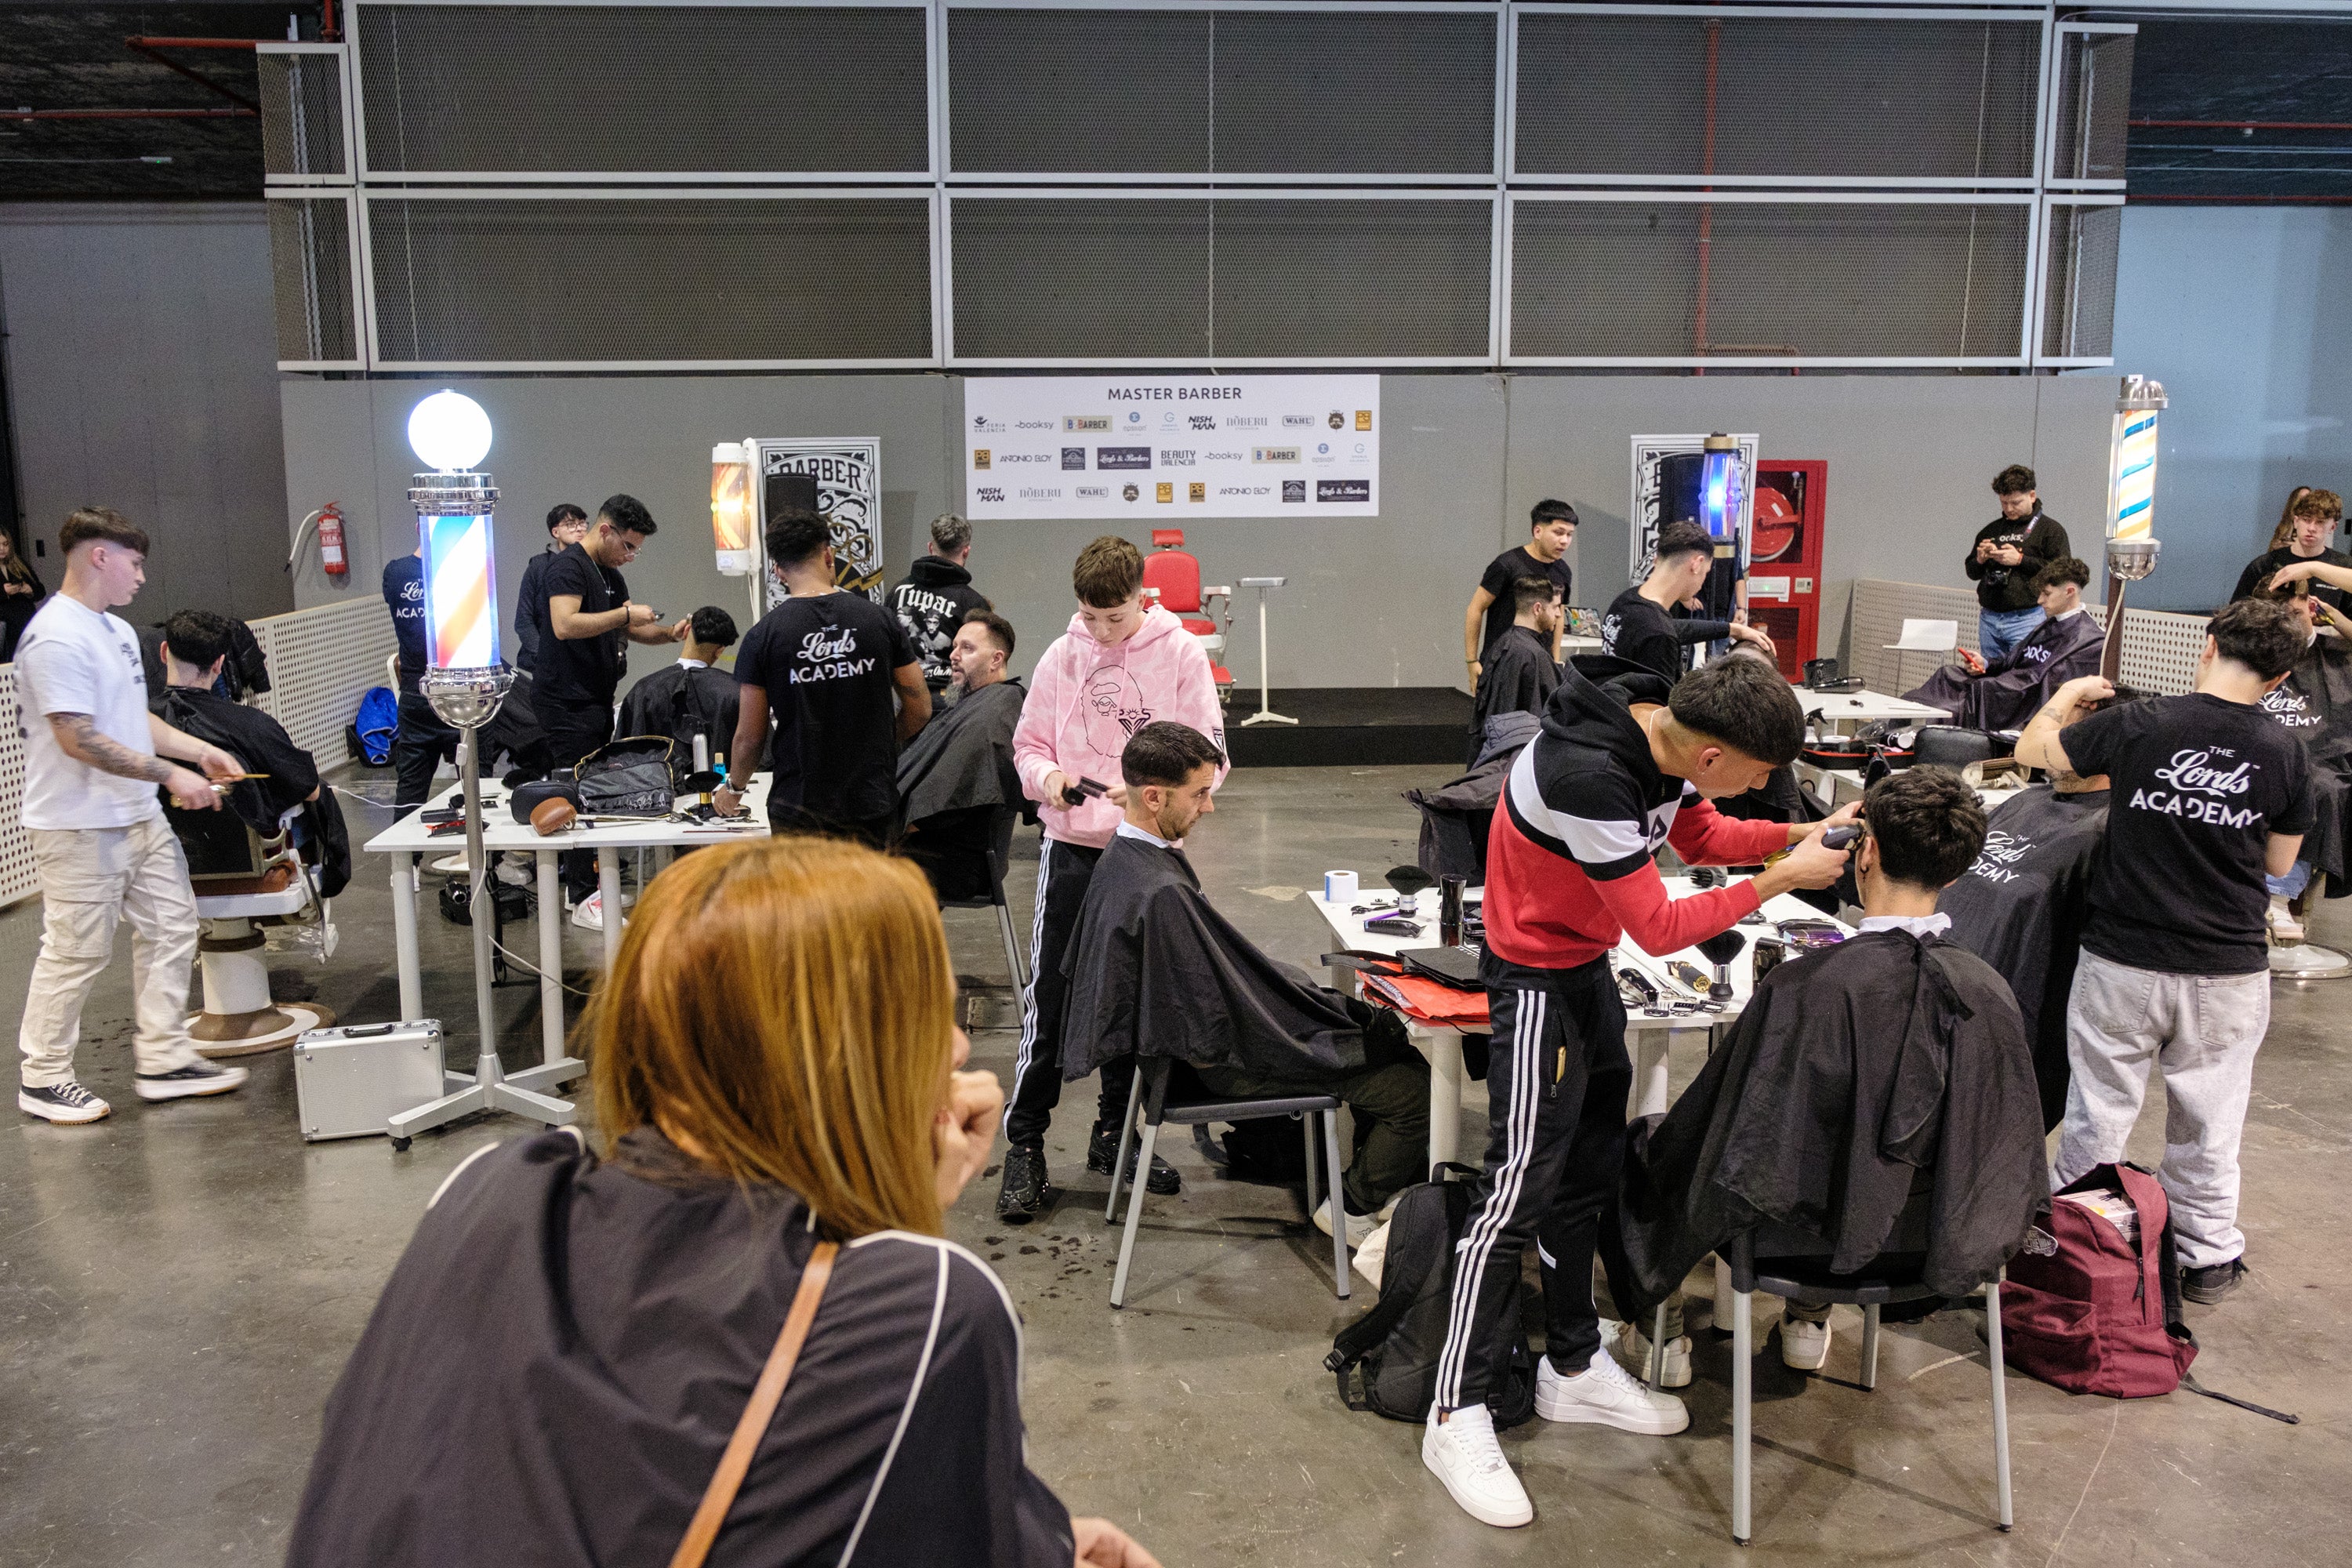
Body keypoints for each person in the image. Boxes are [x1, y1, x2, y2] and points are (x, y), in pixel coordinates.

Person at [282, 836, 1159, 1568]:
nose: (961, 1040)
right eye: (931, 1007)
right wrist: (904, 1231)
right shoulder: (933, 1306)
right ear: (845, 1054)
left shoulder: (493, 1187)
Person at [1420, 655, 1853, 1530]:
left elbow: (1700, 838)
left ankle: (1572, 1365)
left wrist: (1793, 835)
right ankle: (1453, 1411)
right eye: (1762, 773)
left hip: (1585, 976)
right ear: (1713, 755)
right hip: (1536, 981)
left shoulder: (1663, 739)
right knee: (1514, 1196)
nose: (1767, 786)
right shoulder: (1592, 772)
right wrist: (1778, 881)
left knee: (1586, 1176)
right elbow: (1655, 926)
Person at [1605, 768, 2045, 1367]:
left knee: (1656, 1147)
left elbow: (1728, 1138)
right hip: (1934, 1242)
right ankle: (1808, 1325)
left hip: (1789, 1245)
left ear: (1866, 852)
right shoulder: (1989, 992)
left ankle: (1666, 1338)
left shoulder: (1804, 989)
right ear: (1957, 870)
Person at [2016, 597, 2314, 1307]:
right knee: (2211, 1118)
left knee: (2099, 1111)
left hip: (2123, 958)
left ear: (2208, 645)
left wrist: (2064, 694)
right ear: (2280, 678)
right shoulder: (2285, 751)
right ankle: (2207, 1257)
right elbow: (2278, 863)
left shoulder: (2140, 723)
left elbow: (2034, 753)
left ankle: (2083, 1247)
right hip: (2228, 969)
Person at [1061, 722, 1432, 1240]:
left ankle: (1379, 1176)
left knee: (1351, 1026)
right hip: (1220, 1064)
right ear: (1153, 796)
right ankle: (1350, 1206)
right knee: (1412, 1086)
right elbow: (1228, 1004)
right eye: (1200, 794)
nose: (1208, 808)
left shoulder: (1126, 860)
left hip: (1179, 1053)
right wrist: (1320, 1015)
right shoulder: (1161, 892)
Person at [997, 535, 1227, 1224]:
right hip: (1071, 849)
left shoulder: (1181, 653)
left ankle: (1115, 1137)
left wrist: (1149, 801)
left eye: (1116, 619)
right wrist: (1054, 781)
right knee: (1053, 998)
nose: (1101, 632)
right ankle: (1025, 1144)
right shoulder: (1061, 654)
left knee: (1139, 1002)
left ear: (1142, 599)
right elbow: (1028, 747)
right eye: (1091, 618)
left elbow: (1211, 758)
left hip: (1144, 855)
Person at [13, 508, 251, 1124]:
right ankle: (42, 1077)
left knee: (173, 927)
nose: (142, 577)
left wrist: (197, 750)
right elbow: (77, 738)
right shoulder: (55, 636)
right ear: (99, 556)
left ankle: (165, 1058)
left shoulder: (116, 632)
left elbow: (131, 720)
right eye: (135, 563)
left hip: (136, 815)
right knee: (76, 951)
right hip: (77, 824)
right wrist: (172, 775)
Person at [1942, 688, 2146, 1131]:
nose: (2050, 750)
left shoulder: (2113, 832)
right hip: (1935, 994)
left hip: (2010, 1026)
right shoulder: (2025, 801)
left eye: (2065, 737)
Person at [717, 507, 928, 848]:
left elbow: (750, 737)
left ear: (778, 570)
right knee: (869, 900)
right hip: (871, 801)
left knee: (805, 902)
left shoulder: (763, 637)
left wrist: (734, 789)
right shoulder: (881, 621)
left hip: (799, 804)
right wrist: (878, 744)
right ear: (829, 555)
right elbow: (920, 707)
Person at [542, 495, 687, 927]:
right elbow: (564, 624)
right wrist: (624, 613)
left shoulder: (609, 575)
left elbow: (630, 627)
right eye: (627, 546)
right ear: (605, 530)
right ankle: (582, 894)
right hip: (565, 701)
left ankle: (586, 889)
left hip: (594, 697)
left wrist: (668, 635)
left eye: (636, 549)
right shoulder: (567, 567)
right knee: (576, 791)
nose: (631, 556)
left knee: (593, 786)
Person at [2245, 572, 2352, 943]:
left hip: (2324, 760)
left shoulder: (2338, 652)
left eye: (2295, 613)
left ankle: (2277, 897)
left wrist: (2336, 619)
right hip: (2262, 750)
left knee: (2320, 788)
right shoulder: (2260, 655)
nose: (2288, 626)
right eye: (2279, 618)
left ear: (2311, 606)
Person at [896, 610, 1027, 901]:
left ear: (997, 659)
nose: (954, 655)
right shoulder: (976, 705)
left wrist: (905, 823)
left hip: (961, 860)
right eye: (954, 646)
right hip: (937, 846)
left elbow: (961, 793)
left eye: (967, 648)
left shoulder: (998, 708)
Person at [1904, 556, 2103, 732]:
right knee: (1946, 674)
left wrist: (1999, 683)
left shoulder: (2087, 641)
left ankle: (1930, 736)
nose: (2040, 600)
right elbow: (2012, 659)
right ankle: (1905, 725)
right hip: (2006, 685)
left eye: (2047, 593)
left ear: (2069, 591)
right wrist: (1986, 664)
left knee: (1974, 693)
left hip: (2017, 698)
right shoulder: (2048, 625)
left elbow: (2046, 689)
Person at [1600, 521, 1776, 684]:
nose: (1702, 582)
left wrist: (1732, 629)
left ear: (1657, 560)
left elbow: (1672, 627)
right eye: (1706, 573)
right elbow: (1660, 714)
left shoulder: (1626, 601)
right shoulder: (1659, 636)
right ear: (1697, 565)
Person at [383, 539, 460, 813]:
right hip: (459, 693)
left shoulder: (395, 573)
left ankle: (408, 857)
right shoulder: (463, 569)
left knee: (410, 792)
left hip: (415, 692)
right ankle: (479, 854)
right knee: (476, 788)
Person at [616, 604, 744, 768]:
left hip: (655, 791)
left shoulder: (643, 690)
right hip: (717, 790)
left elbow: (622, 760)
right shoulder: (735, 692)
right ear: (719, 651)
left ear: (686, 631)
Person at [1464, 499, 1577, 686]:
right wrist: (1472, 661)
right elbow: (1475, 609)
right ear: (1538, 531)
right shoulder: (1507, 565)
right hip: (1501, 663)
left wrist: (1555, 660)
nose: (1564, 541)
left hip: (1540, 666)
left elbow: (1558, 616)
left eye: (1569, 534)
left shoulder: (1564, 571)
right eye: (1558, 533)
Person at [1965, 464, 2070, 662]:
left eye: (2015, 502)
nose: (2009, 509)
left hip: (2027, 617)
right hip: (1990, 618)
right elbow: (1972, 572)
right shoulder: (1991, 530)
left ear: (2032, 495)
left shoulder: (2050, 530)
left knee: (2023, 678)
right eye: (2004, 503)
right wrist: (1980, 559)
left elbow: (2062, 573)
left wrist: (2020, 560)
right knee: (1990, 677)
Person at [891, 512, 993, 695]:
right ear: (966, 551)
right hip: (954, 701)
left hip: (906, 697)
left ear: (931, 548)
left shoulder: (897, 592)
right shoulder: (972, 602)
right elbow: (983, 663)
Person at [1465, 575, 1562, 766]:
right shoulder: (1529, 655)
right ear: (1537, 609)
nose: (1559, 614)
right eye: (1555, 607)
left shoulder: (1504, 645)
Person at [2230, 487, 2346, 613]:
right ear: (2296, 522)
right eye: (2306, 520)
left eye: (2320, 522)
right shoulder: (2264, 565)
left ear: (2333, 527)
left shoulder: (2344, 568)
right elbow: (2234, 618)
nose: (2312, 528)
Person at [512, 502, 589, 676]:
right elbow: (524, 620)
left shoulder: (594, 566)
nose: (579, 529)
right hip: (545, 666)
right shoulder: (538, 566)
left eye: (583, 523)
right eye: (571, 525)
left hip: (586, 665)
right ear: (555, 532)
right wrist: (544, 657)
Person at [1, 528, 49, 662]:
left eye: (5, 544)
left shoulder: (18, 563)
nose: (2, 549)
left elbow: (40, 591)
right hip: (5, 630)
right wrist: (3, 593)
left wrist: (30, 590)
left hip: (25, 623)